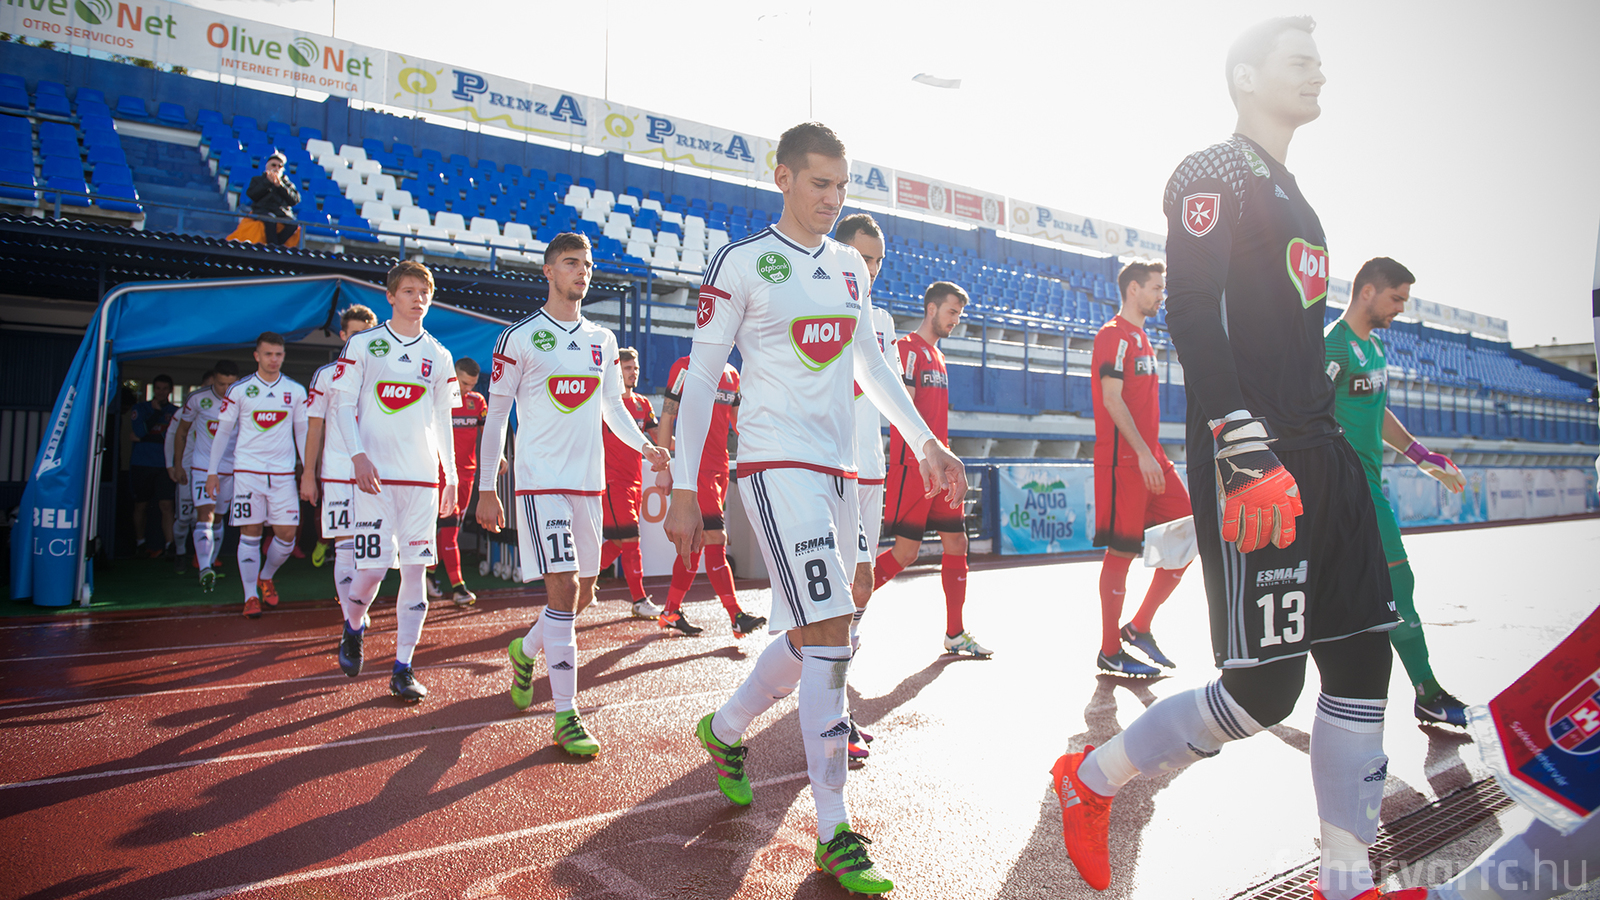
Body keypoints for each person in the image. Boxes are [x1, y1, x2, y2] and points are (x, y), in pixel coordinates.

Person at [1050, 19, 1424, 900]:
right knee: (1263, 693)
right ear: (1247, 77)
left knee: (1363, 661)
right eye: (1301, 61)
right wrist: (1240, 441)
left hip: (1321, 449)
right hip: (1255, 452)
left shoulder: (1297, 194)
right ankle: (1090, 780)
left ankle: (1347, 883)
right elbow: (1191, 308)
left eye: (1320, 62)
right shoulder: (1211, 170)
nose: (1319, 74)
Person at [665, 121, 966, 896]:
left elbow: (870, 366)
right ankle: (834, 829)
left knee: (822, 629)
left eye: (841, 186)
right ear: (784, 178)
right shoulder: (740, 264)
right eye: (820, 183)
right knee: (832, 630)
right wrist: (683, 487)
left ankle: (725, 729)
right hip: (774, 465)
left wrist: (926, 442)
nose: (833, 199)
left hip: (839, 472)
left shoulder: (847, 266)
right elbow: (702, 380)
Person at [476, 233, 670, 753]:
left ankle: (525, 649)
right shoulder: (518, 337)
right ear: (548, 271)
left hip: (588, 484)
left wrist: (646, 446)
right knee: (562, 591)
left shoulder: (601, 340)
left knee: (583, 595)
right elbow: (497, 416)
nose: (582, 271)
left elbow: (613, 407)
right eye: (570, 263)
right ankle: (566, 715)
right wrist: (487, 486)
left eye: (586, 264)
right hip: (541, 483)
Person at [1326, 258, 1470, 726]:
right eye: (1396, 298)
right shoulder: (1333, 346)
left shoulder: (1374, 348)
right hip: (1351, 492)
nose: (1401, 308)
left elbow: (1378, 410)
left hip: (1369, 486)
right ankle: (1427, 691)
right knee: (1396, 585)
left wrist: (1423, 457)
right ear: (1367, 291)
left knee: (1356, 594)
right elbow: (1305, 413)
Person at [327, 262, 460, 703]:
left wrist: (451, 476)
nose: (418, 298)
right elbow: (342, 405)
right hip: (374, 480)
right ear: (390, 296)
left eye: (424, 292)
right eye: (409, 291)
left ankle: (403, 667)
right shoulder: (365, 344)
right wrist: (358, 456)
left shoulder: (439, 355)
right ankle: (353, 627)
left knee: (416, 570)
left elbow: (443, 420)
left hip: (421, 481)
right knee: (372, 571)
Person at [871, 281, 992, 659]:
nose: (956, 320)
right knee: (905, 553)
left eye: (959, 314)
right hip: (915, 466)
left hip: (942, 466)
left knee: (957, 543)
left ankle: (955, 633)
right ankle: (839, 614)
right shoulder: (907, 349)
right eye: (952, 312)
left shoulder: (937, 356)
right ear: (931, 309)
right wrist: (925, 454)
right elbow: (902, 406)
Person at [1089, 260, 1193, 676]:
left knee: (1189, 532)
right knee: (1122, 551)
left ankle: (1139, 626)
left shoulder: (1142, 337)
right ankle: (1109, 649)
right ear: (1133, 289)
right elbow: (1111, 399)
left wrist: (1152, 454)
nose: (1161, 296)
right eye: (1156, 288)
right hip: (1125, 462)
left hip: (1152, 458)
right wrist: (1143, 453)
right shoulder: (1113, 334)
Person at [834, 211, 896, 761]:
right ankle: (833, 712)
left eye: (877, 260)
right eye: (862, 257)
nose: (870, 269)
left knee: (861, 590)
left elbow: (888, 386)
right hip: (830, 469)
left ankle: (834, 703)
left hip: (871, 468)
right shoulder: (816, 304)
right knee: (842, 591)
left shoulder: (883, 321)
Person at [654, 353, 766, 638]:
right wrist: (664, 468)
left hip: (720, 468)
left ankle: (670, 612)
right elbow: (667, 416)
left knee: (697, 541)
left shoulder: (732, 374)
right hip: (697, 468)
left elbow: (739, 422)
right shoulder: (683, 367)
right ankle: (736, 616)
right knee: (716, 538)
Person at [208, 336, 308, 619]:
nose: (273, 359)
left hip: (283, 475)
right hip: (247, 473)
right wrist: (212, 471)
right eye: (268, 354)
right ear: (256, 356)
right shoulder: (239, 390)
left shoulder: (295, 391)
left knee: (286, 536)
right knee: (250, 533)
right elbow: (223, 432)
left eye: (278, 354)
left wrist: (308, 471)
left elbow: (302, 432)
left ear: (284, 355)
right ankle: (250, 595)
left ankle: (266, 576)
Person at [300, 304, 379, 629]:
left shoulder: (385, 372)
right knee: (345, 546)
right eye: (355, 334)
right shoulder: (326, 375)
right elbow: (314, 427)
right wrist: (308, 474)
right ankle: (351, 618)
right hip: (337, 473)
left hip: (377, 474)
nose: (360, 340)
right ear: (344, 335)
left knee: (371, 549)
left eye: (367, 334)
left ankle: (357, 607)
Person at [597, 346, 663, 619]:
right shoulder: (603, 404)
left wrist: (686, 444)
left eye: (635, 368)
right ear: (616, 372)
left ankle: (581, 581)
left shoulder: (643, 404)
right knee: (631, 539)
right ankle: (639, 600)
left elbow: (659, 437)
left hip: (635, 481)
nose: (633, 372)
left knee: (617, 542)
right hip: (613, 482)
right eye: (627, 368)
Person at [171, 362, 240, 590]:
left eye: (230, 384)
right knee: (205, 515)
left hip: (230, 470)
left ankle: (210, 561)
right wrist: (178, 464)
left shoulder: (244, 399)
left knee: (218, 518)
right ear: (213, 380)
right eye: (221, 384)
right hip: (202, 467)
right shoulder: (197, 399)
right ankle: (204, 569)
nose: (225, 389)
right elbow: (181, 431)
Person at [431, 356, 490, 607]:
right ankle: (458, 587)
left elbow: (488, 434)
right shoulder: (438, 399)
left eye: (472, 385)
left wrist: (497, 457)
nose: (468, 389)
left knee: (450, 530)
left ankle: (429, 574)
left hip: (467, 477)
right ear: (453, 376)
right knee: (450, 530)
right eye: (464, 383)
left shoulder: (478, 402)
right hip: (443, 477)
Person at [166, 369, 213, 574]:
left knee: (203, 517)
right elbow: (171, 437)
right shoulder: (186, 410)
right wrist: (173, 466)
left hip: (210, 471)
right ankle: (179, 552)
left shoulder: (226, 409)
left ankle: (204, 561)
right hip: (187, 469)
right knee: (184, 517)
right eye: (209, 386)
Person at [130, 374, 178, 559]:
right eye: (158, 388)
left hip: (165, 464)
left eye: (164, 389)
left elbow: (174, 438)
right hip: (141, 463)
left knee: (167, 504)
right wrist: (156, 414)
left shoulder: (175, 411)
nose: (161, 392)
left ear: (170, 390)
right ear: (153, 389)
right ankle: (140, 543)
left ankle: (170, 546)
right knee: (140, 505)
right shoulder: (140, 408)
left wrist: (146, 437)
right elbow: (139, 431)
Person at [246, 152, 300, 247]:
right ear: (267, 166)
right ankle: (273, 246)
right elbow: (252, 195)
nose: (276, 168)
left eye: (280, 166)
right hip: (263, 210)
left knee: (293, 224)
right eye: (273, 165)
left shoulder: (287, 183)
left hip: (282, 213)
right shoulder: (257, 180)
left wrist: (280, 186)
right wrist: (267, 182)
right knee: (270, 219)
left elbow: (295, 200)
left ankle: (277, 245)